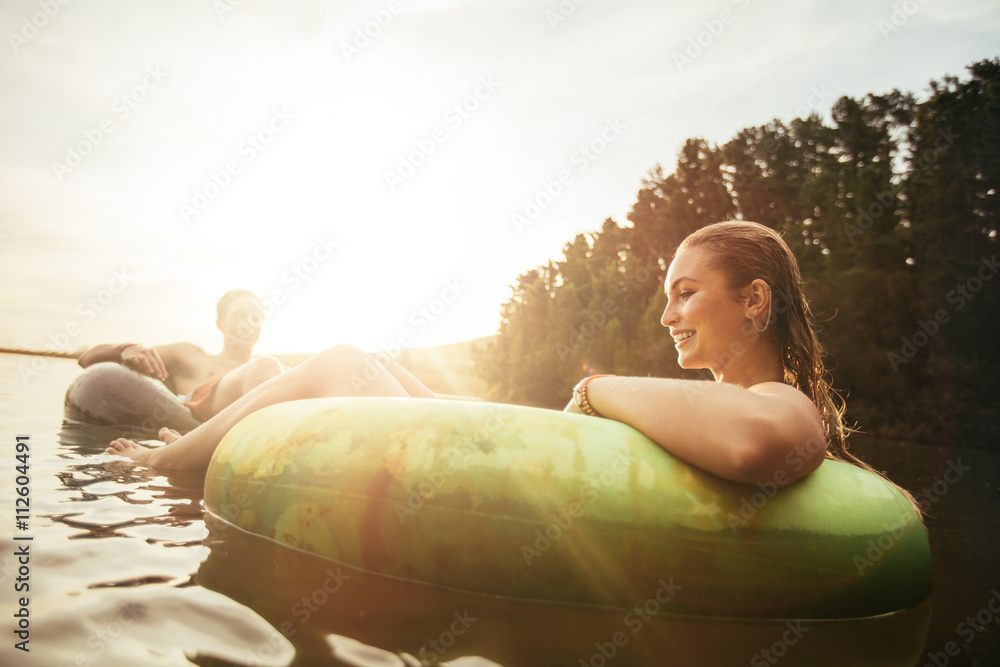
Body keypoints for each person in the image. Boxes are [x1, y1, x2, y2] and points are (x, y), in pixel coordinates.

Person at [104, 222, 877, 493]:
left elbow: (756, 441)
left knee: (339, 358)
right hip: (521, 440)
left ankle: (162, 465)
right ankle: (181, 452)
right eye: (666, 295)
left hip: (522, 463)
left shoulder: (784, 406)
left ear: (753, 300)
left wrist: (600, 391)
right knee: (360, 354)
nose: (667, 313)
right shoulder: (717, 398)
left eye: (686, 293)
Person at [81, 289, 284, 424]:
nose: (248, 324)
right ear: (220, 324)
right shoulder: (189, 356)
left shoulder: (273, 374)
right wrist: (124, 349)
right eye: (239, 316)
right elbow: (86, 359)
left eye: (255, 317)